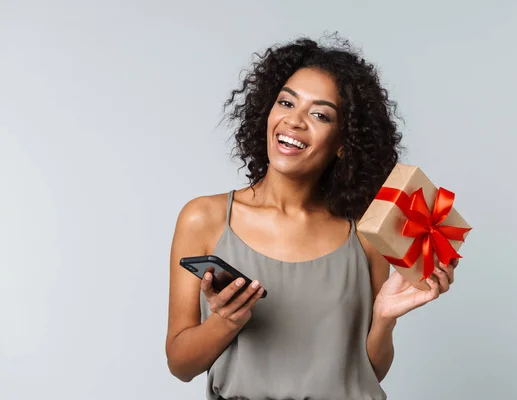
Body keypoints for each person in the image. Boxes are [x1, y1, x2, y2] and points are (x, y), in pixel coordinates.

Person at [165, 35, 459, 400]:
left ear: (343, 142)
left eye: (320, 114)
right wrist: (225, 321)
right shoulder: (204, 218)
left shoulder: (364, 233)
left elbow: (368, 373)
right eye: (286, 102)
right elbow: (180, 365)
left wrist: (384, 318)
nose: (295, 121)